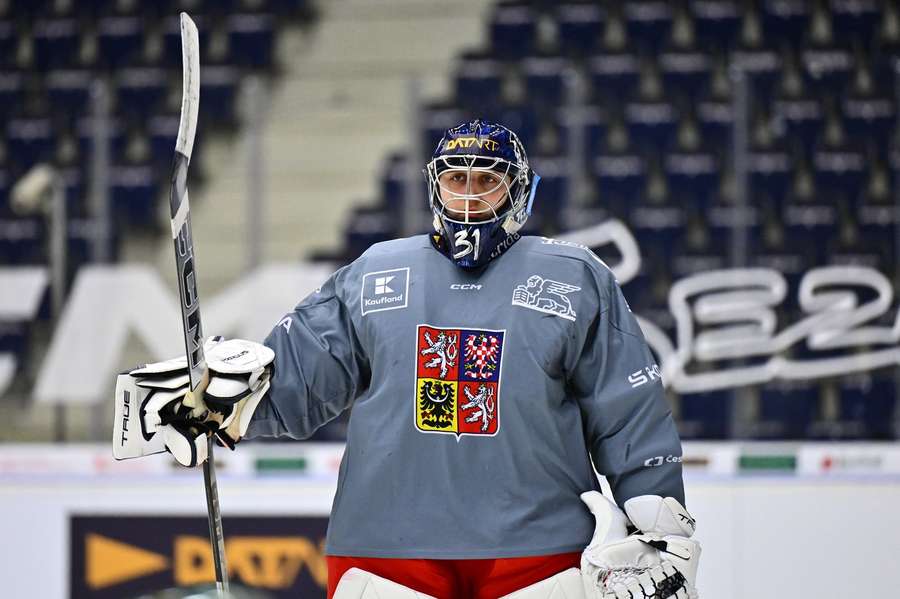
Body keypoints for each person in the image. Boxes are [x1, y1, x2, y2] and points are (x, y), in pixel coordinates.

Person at [115, 120, 701, 598]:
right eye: (456, 182)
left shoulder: (574, 276)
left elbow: (628, 408)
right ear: (434, 188)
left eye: (487, 183)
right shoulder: (377, 271)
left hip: (539, 547)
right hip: (388, 548)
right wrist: (220, 399)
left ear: (519, 191)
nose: (469, 197)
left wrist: (657, 518)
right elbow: (302, 375)